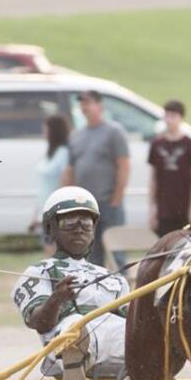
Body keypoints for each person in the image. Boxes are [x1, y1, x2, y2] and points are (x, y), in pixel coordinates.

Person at [12, 186, 132, 380]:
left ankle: (152, 361)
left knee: (135, 328)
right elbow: (38, 323)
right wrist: (56, 299)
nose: (79, 228)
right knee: (75, 324)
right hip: (62, 350)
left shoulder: (113, 277)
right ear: (51, 228)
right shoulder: (39, 271)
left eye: (86, 222)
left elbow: (131, 320)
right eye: (69, 222)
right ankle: (76, 360)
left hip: (115, 350)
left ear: (94, 228)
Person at [66, 90, 130, 268]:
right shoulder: (76, 135)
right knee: (91, 253)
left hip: (108, 202)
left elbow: (123, 165)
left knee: (117, 253)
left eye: (88, 103)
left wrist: (116, 198)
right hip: (85, 205)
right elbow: (71, 169)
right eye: (82, 103)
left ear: (99, 106)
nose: (84, 107)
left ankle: (122, 289)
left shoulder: (114, 132)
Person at [147, 99, 191, 237]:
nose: (169, 120)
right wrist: (152, 209)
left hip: (184, 207)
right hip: (164, 208)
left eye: (173, 116)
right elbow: (153, 178)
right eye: (167, 116)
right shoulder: (157, 144)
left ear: (181, 118)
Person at [33, 112, 73, 250]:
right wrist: (36, 214)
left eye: (46, 128)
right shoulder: (49, 153)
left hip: (57, 211)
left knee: (55, 251)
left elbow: (66, 182)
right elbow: (42, 187)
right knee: (48, 250)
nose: (44, 131)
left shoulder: (63, 153)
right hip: (44, 209)